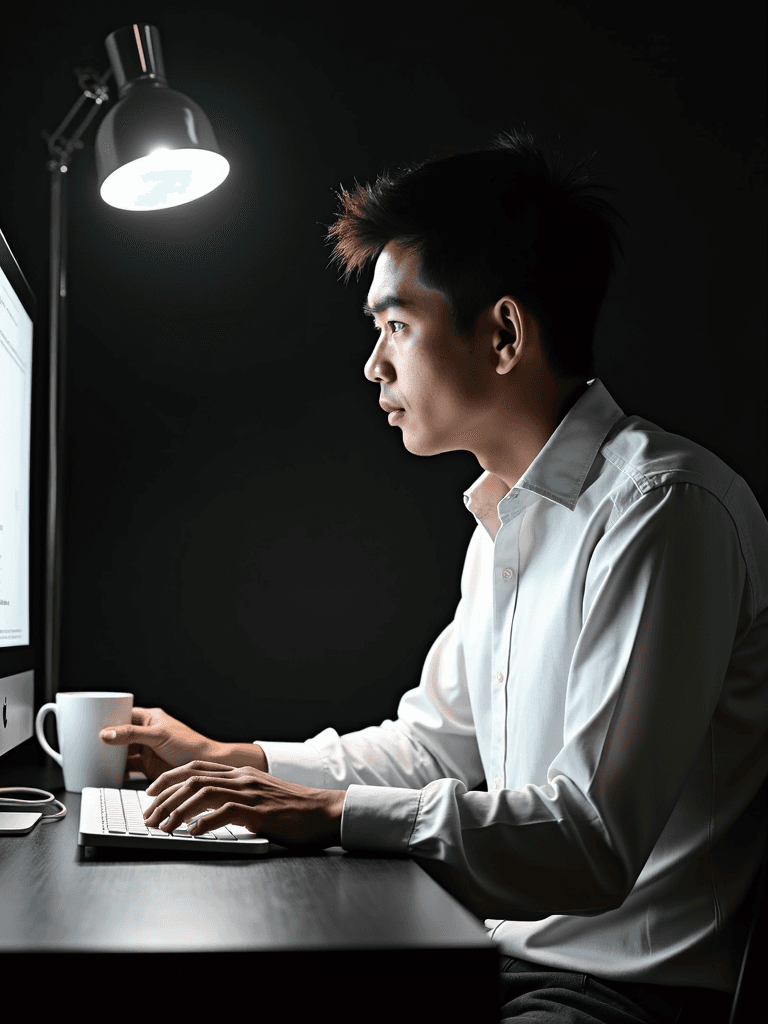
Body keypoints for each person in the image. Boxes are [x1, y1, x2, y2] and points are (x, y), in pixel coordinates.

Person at [100, 128, 768, 1023]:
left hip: (622, 999)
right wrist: (238, 763)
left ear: (502, 334)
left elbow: (594, 841)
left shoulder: (662, 510)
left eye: (395, 326)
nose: (374, 364)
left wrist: (328, 812)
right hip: (499, 958)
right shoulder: (505, 520)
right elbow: (437, 748)